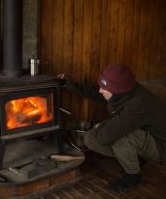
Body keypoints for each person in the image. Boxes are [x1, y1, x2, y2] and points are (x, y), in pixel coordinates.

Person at [58, 63, 166, 192]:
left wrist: (102, 125)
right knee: (95, 137)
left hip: (161, 145)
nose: (100, 90)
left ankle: (133, 177)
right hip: (143, 133)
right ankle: (134, 158)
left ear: (117, 90)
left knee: (117, 138)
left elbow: (103, 138)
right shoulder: (124, 91)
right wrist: (70, 85)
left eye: (104, 88)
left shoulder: (137, 105)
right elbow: (96, 93)